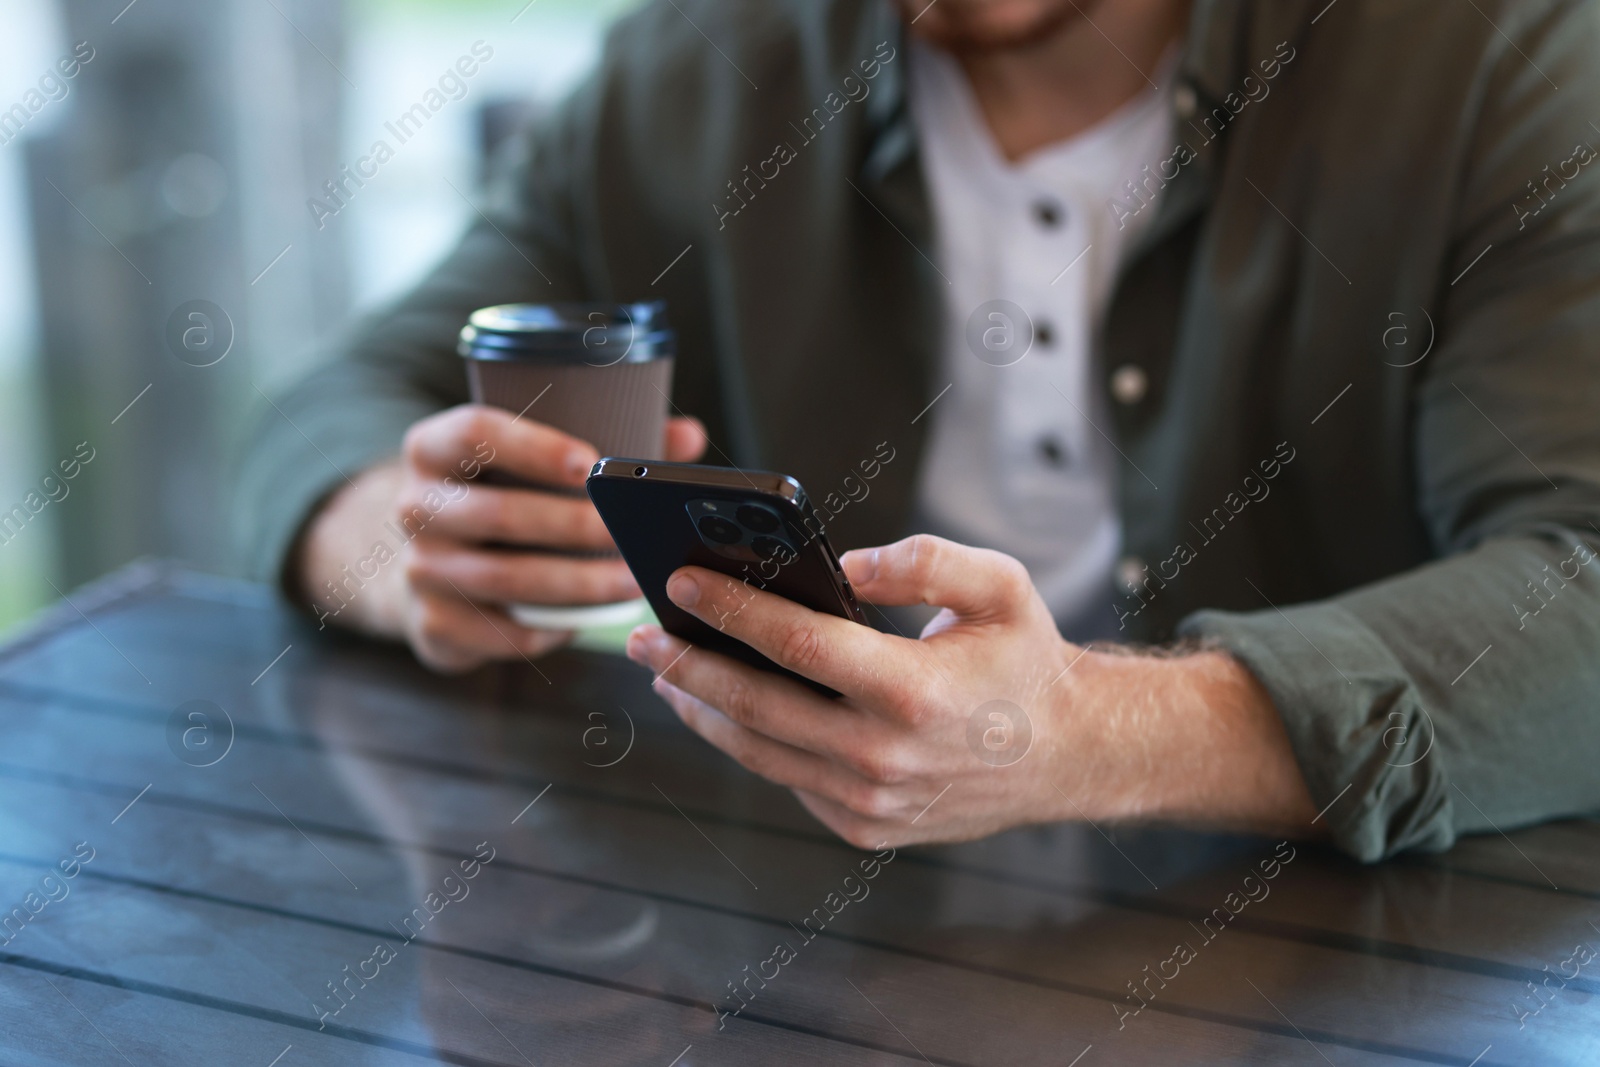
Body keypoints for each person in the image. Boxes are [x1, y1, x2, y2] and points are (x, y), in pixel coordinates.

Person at [238, 0, 1600, 863]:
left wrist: (1102, 735)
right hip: (838, 941)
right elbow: (336, 409)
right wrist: (401, 539)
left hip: (1374, 955)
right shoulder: (697, 69)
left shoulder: (1499, 60)